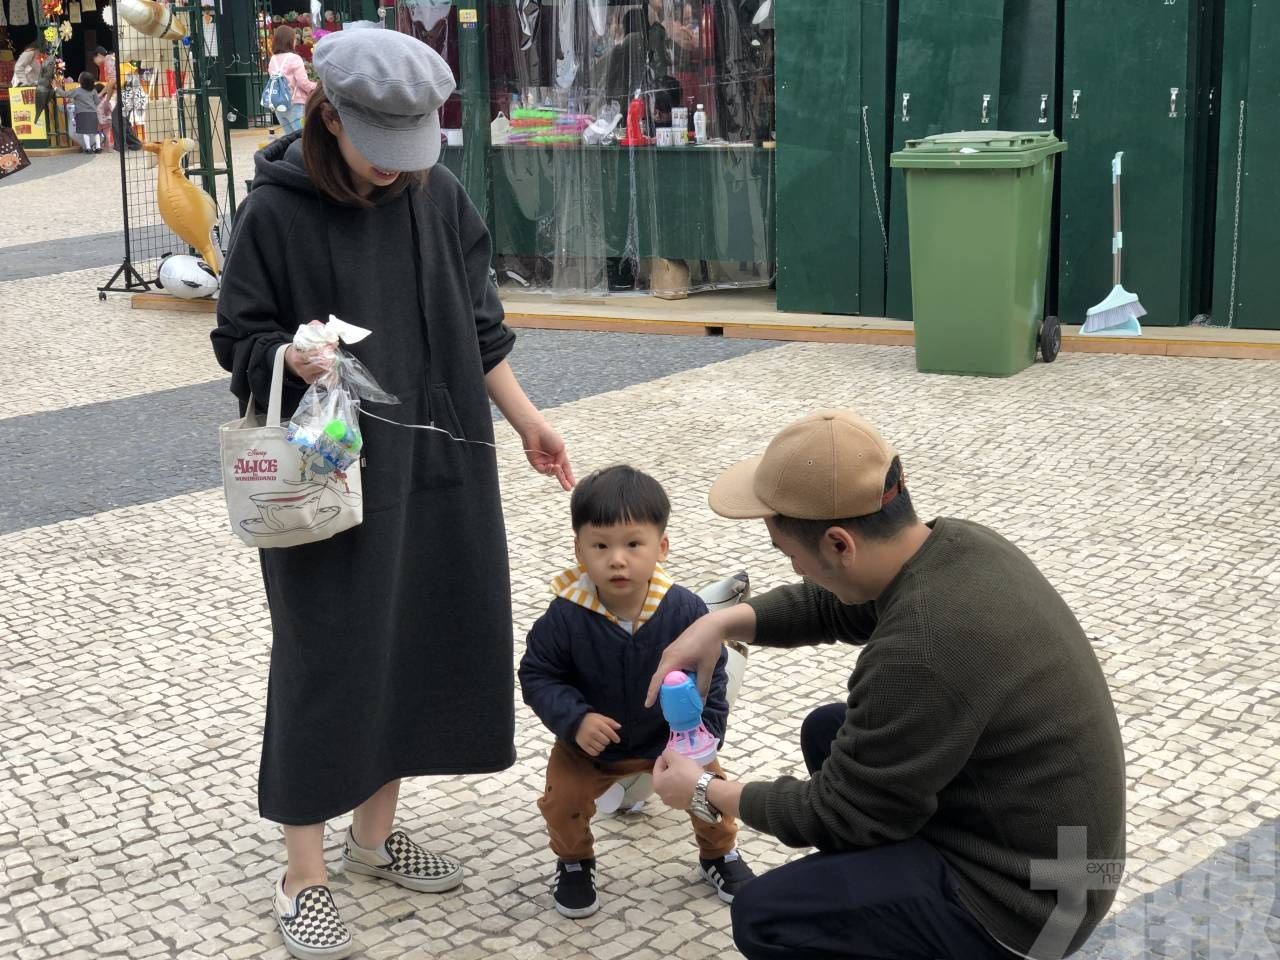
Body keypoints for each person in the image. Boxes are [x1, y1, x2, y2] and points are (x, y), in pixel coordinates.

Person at [210, 29, 574, 960]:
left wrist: (529, 422)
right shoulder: (276, 215)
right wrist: (285, 353)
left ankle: (371, 839)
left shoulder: (437, 195)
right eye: (384, 148)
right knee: (326, 653)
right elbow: (236, 336)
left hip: (443, 465)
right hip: (325, 477)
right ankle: (305, 872)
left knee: (417, 637)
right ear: (328, 116)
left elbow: (481, 329)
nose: (398, 171)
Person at [647, 409, 1127, 960]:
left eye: (792, 556)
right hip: (1065, 854)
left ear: (838, 545)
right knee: (829, 732)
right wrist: (722, 622)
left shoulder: (922, 647)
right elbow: (838, 605)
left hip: (1039, 906)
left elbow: (836, 812)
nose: (798, 570)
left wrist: (706, 792)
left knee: (767, 914)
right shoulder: (958, 547)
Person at [518, 466, 755, 919]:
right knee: (562, 800)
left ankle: (719, 854)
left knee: (711, 791)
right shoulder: (566, 615)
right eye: (600, 546)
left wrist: (705, 733)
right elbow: (538, 674)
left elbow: (714, 672)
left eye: (633, 544)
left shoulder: (684, 609)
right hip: (589, 748)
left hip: (671, 741)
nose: (617, 560)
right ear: (579, 549)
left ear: (660, 547)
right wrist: (575, 719)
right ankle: (573, 863)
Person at [267, 25, 316, 134]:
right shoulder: (294, 58)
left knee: (289, 140)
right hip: (295, 104)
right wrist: (317, 86)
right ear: (290, 40)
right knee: (302, 139)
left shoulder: (273, 59)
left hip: (279, 105)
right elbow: (303, 83)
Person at [93, 46, 141, 151]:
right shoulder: (112, 58)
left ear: (99, 55)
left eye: (94, 59)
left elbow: (113, 81)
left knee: (117, 117)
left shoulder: (108, 60)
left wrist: (101, 93)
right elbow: (112, 85)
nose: (95, 62)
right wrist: (107, 100)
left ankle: (121, 147)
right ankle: (135, 144)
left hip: (127, 89)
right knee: (123, 119)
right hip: (131, 88)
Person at [56, 72, 103, 153]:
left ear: (81, 81)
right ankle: (98, 148)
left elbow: (65, 94)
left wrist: (56, 88)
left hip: (82, 114)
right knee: (95, 131)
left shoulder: (77, 91)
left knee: (85, 132)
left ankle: (88, 148)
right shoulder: (94, 91)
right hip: (93, 113)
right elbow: (98, 102)